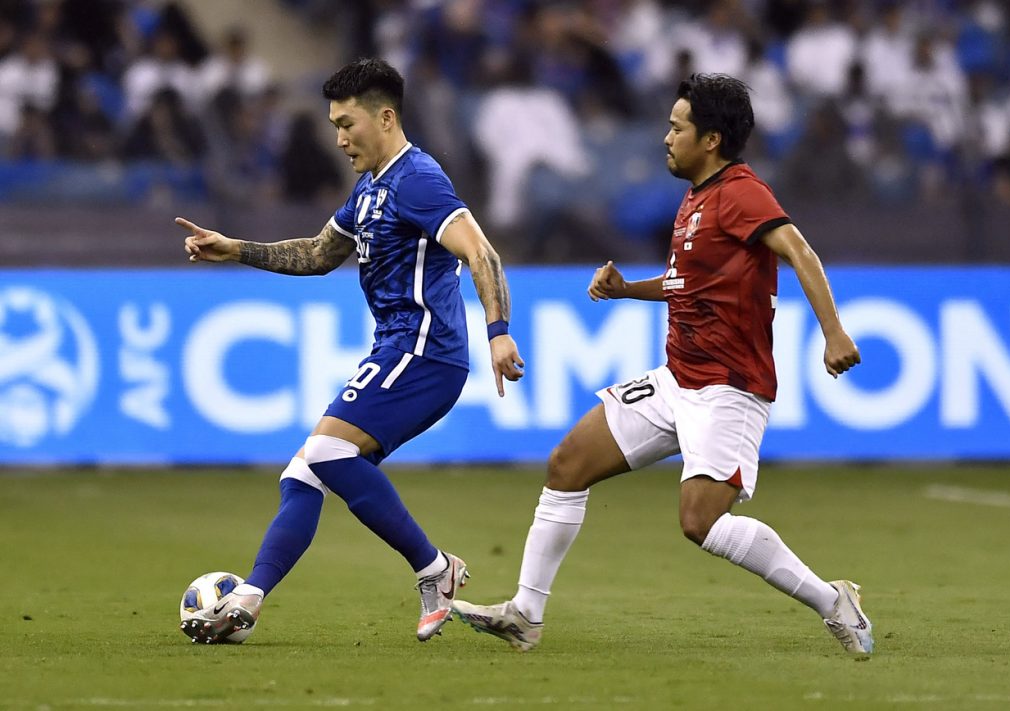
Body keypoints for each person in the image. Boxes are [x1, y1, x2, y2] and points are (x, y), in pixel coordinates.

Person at [451, 73, 873, 655]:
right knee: (567, 464)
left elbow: (799, 250)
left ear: (712, 140)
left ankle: (834, 602)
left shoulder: (742, 192)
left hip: (728, 389)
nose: (666, 137)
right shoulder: (696, 198)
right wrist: (629, 291)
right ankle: (525, 614)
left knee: (700, 522)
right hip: (678, 379)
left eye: (677, 128)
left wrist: (834, 333)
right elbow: (691, 283)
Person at [175, 58, 524, 644]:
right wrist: (236, 248)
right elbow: (317, 253)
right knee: (303, 472)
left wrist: (499, 332)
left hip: (424, 351)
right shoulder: (368, 190)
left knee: (331, 452)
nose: (338, 138)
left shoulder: (418, 179)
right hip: (393, 348)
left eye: (347, 124)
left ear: (385, 118)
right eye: (334, 125)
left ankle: (435, 569)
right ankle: (251, 595)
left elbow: (481, 252)